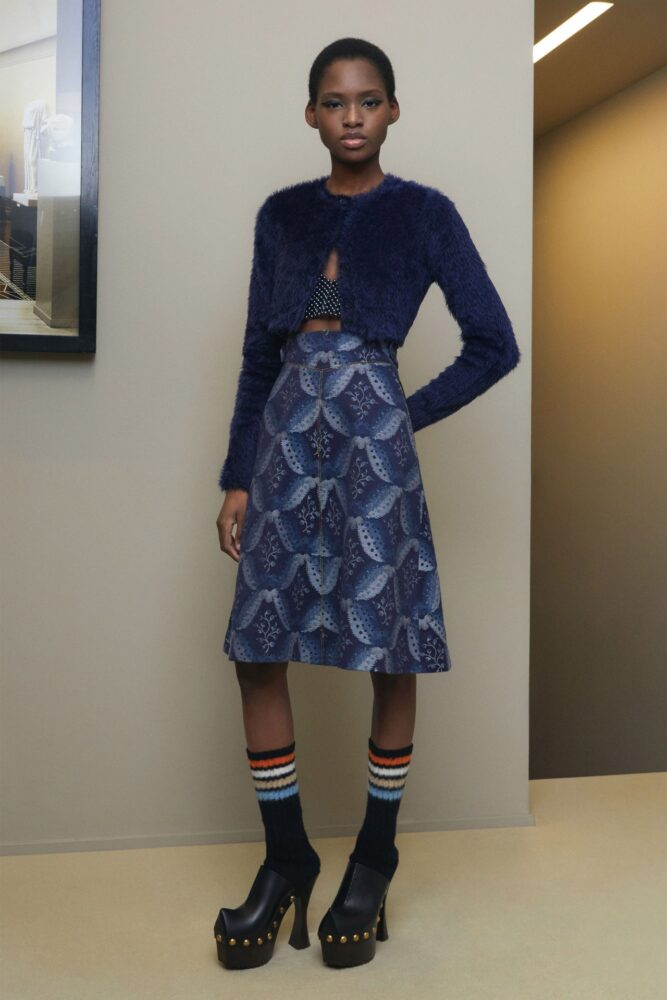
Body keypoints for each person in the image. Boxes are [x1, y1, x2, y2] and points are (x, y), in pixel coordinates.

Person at [213, 37, 521, 971]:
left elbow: (493, 341)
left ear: (392, 110)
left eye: (369, 100)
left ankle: (374, 857)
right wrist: (235, 476)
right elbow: (257, 356)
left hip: (373, 454)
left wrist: (400, 414)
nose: (351, 116)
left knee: (389, 649)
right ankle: (286, 857)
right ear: (311, 114)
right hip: (282, 447)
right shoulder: (281, 216)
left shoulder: (425, 213)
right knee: (257, 650)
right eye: (335, 101)